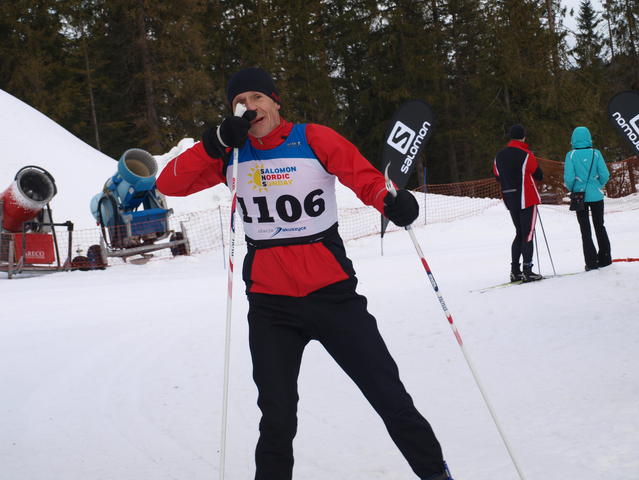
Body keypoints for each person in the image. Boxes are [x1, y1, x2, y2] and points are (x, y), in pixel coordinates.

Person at [156, 67, 452, 480]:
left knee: (389, 396)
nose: (249, 107)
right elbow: (169, 184)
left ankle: (436, 473)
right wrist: (214, 142)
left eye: (257, 97)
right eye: (240, 102)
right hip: (271, 306)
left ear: (275, 101)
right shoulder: (230, 154)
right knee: (277, 418)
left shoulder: (313, 138)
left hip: (333, 296)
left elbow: (363, 177)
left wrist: (390, 201)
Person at [493, 124, 544, 282]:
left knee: (519, 233)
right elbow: (539, 174)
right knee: (527, 234)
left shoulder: (499, 155)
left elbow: (497, 175)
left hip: (510, 198)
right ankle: (527, 270)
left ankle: (515, 271)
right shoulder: (526, 154)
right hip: (527, 198)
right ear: (523, 137)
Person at [563, 126, 611, 270]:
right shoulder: (596, 153)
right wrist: (598, 185)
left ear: (573, 139)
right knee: (600, 226)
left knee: (585, 229)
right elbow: (605, 174)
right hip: (596, 195)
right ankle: (605, 258)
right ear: (589, 137)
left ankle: (591, 262)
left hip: (579, 196)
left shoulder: (571, 155)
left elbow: (569, 178)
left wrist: (573, 188)